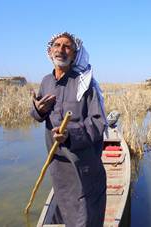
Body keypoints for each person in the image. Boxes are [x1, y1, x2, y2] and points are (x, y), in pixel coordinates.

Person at [31, 32, 107, 227]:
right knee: (64, 203)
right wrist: (38, 111)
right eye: (57, 45)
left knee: (85, 213)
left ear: (74, 55)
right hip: (57, 161)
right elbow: (39, 114)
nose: (61, 50)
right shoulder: (46, 81)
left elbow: (98, 122)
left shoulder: (85, 83)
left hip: (82, 163)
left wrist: (70, 134)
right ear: (50, 52)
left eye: (67, 46)